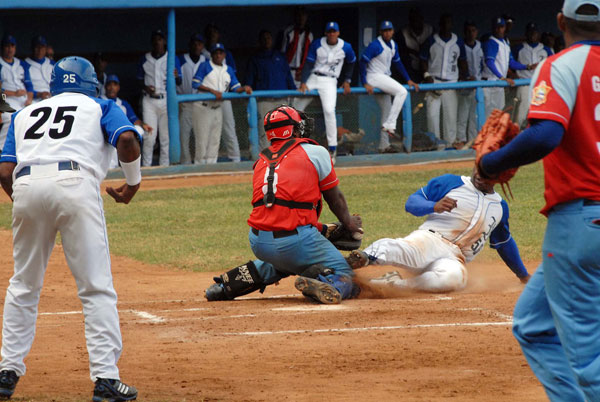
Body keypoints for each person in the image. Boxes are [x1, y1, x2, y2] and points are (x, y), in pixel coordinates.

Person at [0, 56, 140, 401]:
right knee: (96, 287)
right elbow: (126, 141)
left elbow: (5, 171)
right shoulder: (100, 104)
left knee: (23, 284)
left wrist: (25, 199)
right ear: (91, 83)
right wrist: (132, 183)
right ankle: (106, 379)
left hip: (27, 185)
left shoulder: (25, 112)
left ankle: (6, 371)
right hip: (75, 183)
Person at [479, 1, 600, 399]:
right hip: (579, 229)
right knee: (533, 324)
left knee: (590, 361)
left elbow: (546, 135)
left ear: (562, 21)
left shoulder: (561, 65)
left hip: (583, 222)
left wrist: (490, 164)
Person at [204, 105, 361, 304]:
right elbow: (335, 199)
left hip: (258, 241)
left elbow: (279, 211)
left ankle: (224, 286)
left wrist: (322, 229)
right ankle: (329, 284)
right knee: (345, 273)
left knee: (281, 261)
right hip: (295, 242)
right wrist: (348, 223)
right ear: (292, 129)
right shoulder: (316, 152)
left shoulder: (261, 159)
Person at [346, 168, 530, 292]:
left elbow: (504, 243)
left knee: (454, 279)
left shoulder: (500, 207)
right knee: (395, 248)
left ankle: (393, 284)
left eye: (487, 172)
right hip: (429, 241)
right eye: (478, 167)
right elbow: (411, 203)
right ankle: (358, 261)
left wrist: (523, 275)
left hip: (455, 258)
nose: (480, 174)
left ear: (500, 177)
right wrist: (433, 206)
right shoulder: (451, 182)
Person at [294, 21, 356, 161]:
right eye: (329, 32)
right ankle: (296, 142)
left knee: (329, 110)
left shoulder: (346, 47)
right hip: (314, 77)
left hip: (330, 80)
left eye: (334, 31)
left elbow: (352, 62)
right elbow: (309, 63)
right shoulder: (317, 43)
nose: (332, 34)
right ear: (326, 33)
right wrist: (304, 82)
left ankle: (332, 149)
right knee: (297, 106)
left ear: (338, 33)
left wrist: (347, 80)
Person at [360, 21, 419, 153]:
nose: (387, 32)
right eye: (384, 30)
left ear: (393, 31)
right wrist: (364, 82)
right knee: (402, 92)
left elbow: (398, 63)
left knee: (387, 110)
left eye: (389, 30)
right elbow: (363, 62)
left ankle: (384, 145)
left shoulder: (393, 45)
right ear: (381, 32)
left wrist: (408, 79)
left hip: (383, 77)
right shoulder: (376, 45)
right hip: (374, 76)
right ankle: (390, 124)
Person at [191, 43, 251, 164]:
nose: (218, 55)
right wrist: (212, 91)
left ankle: (211, 166)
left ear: (224, 55)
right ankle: (199, 167)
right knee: (202, 140)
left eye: (220, 53)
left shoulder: (228, 69)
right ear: (212, 55)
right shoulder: (205, 66)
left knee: (215, 140)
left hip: (218, 107)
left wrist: (245, 88)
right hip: (203, 106)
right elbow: (195, 83)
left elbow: (235, 87)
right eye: (216, 53)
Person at [420, 13, 467, 148]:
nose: (447, 26)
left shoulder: (458, 41)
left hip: (451, 82)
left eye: (449, 23)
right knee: (432, 115)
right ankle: (435, 145)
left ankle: (450, 144)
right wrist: (426, 74)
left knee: (450, 116)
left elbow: (463, 61)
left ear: (451, 25)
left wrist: (464, 76)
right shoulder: (431, 40)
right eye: (444, 23)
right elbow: (422, 59)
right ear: (440, 25)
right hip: (434, 81)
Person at [136, 29, 182, 166]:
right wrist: (145, 88)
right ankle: (146, 167)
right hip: (149, 101)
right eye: (155, 39)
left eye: (160, 39)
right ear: (152, 42)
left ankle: (164, 167)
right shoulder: (145, 58)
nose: (158, 42)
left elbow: (180, 82)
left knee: (165, 137)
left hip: (166, 100)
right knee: (149, 137)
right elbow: (138, 80)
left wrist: (176, 76)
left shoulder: (172, 58)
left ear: (164, 41)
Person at [246, 29, 296, 151]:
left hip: (282, 100)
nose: (267, 40)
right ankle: (266, 158)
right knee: (265, 132)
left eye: (269, 38)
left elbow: (288, 77)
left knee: (284, 130)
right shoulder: (255, 59)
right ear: (259, 41)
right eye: (264, 38)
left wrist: (294, 91)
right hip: (264, 101)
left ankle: (284, 157)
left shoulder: (280, 56)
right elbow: (249, 82)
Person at [204, 24, 242, 163]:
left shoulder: (228, 56)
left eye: (215, 32)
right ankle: (206, 161)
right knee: (207, 132)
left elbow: (232, 76)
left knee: (229, 129)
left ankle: (236, 158)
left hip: (224, 97)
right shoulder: (203, 53)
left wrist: (240, 88)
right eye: (210, 33)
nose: (213, 35)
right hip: (207, 99)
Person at [481, 17, 532, 119]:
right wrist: (501, 77)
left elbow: (511, 63)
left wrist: (527, 67)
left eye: (501, 27)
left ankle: (495, 135)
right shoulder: (491, 42)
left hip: (499, 83)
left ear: (504, 28)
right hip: (489, 82)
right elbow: (489, 62)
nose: (499, 30)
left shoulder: (505, 43)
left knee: (498, 113)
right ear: (493, 28)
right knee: (488, 116)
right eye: (497, 27)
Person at [102, 74, 152, 168]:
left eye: (115, 84)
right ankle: (113, 169)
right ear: (105, 87)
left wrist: (143, 125)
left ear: (118, 87)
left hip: (121, 135)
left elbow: (134, 120)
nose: (112, 87)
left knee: (138, 130)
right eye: (109, 84)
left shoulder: (123, 104)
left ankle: (134, 166)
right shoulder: (100, 101)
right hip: (105, 135)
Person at [514, 22, 553, 128]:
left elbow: (553, 66)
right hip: (524, 84)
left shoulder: (546, 49)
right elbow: (509, 64)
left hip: (541, 85)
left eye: (534, 32)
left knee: (540, 112)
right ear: (526, 34)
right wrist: (513, 76)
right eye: (530, 32)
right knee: (521, 114)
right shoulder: (519, 48)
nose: (532, 35)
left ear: (538, 34)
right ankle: (519, 137)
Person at [177, 33, 207, 164]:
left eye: (199, 43)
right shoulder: (180, 59)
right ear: (189, 45)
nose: (196, 46)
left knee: (201, 135)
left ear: (203, 46)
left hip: (201, 103)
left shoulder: (206, 61)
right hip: (185, 102)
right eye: (194, 43)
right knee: (184, 136)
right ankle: (185, 162)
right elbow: (176, 81)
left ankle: (201, 162)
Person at [0, 34, 33, 149]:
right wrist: (14, 93)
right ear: (2, 48)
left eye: (12, 46)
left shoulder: (21, 64)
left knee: (35, 114)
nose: (10, 49)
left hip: (23, 99)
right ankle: (2, 147)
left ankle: (27, 146)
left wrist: (29, 99)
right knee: (11, 117)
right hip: (6, 99)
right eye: (7, 46)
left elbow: (29, 86)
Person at [456, 21, 484, 148]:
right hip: (464, 85)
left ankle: (473, 140)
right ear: (464, 33)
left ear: (477, 32)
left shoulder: (480, 45)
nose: (471, 33)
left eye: (473, 30)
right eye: (468, 31)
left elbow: (483, 65)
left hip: (477, 85)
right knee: (462, 114)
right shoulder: (461, 46)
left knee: (474, 115)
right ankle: (461, 139)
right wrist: (465, 77)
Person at [398, 7, 434, 82]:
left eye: (418, 19)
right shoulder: (403, 33)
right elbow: (402, 56)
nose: (416, 22)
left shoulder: (430, 30)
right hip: (411, 68)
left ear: (422, 19)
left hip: (429, 68)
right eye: (413, 20)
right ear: (410, 21)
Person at [280, 7, 313, 88]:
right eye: (299, 15)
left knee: (301, 94)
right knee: (288, 93)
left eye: (303, 15)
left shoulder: (309, 34)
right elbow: (282, 53)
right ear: (295, 17)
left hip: (302, 70)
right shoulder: (289, 31)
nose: (301, 17)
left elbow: (310, 56)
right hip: (289, 69)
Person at [24, 35, 54, 104]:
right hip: (34, 100)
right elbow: (22, 88)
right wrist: (39, 94)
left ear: (46, 48)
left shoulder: (52, 64)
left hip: (52, 98)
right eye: (37, 47)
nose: (40, 50)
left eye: (42, 47)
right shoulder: (24, 64)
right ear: (32, 48)